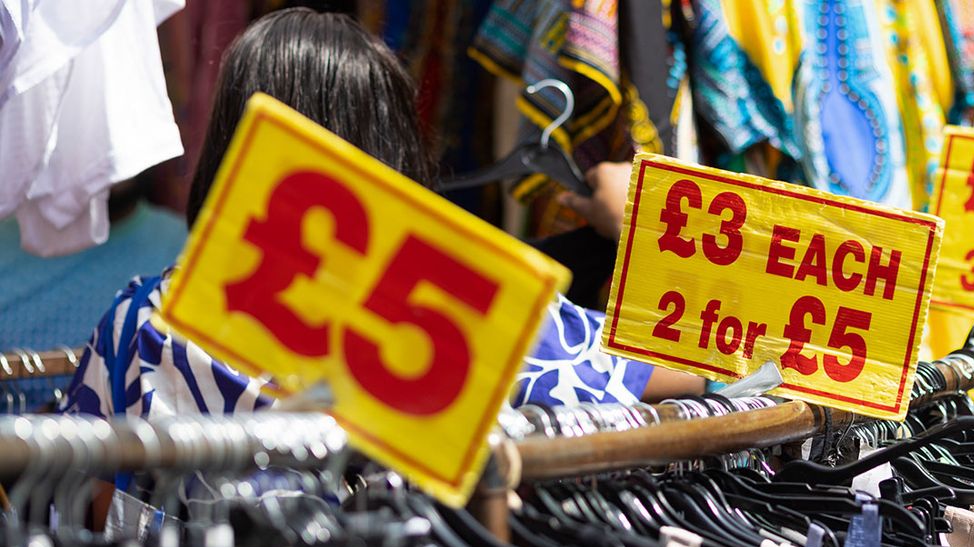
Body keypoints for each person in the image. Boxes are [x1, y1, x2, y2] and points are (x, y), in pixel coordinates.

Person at [60, 7, 703, 421]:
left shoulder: (138, 318)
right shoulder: (452, 314)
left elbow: (82, 502)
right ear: (389, 150)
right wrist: (638, 224)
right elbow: (700, 364)